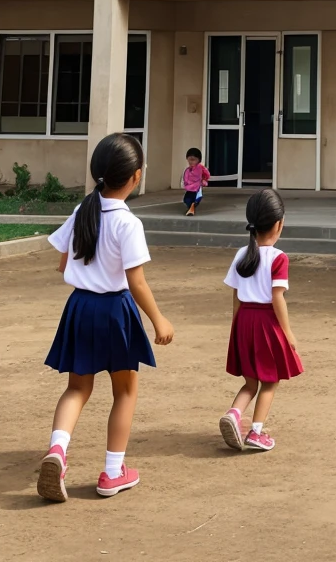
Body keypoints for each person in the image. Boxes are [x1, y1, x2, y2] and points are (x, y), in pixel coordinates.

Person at [38, 133, 174, 503]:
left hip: (80, 308)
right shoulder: (128, 224)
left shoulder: (83, 211)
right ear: (137, 176)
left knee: (77, 388)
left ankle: (57, 451)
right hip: (115, 311)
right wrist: (159, 319)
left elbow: (63, 263)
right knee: (125, 391)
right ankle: (113, 473)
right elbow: (137, 281)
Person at [219, 189, 302, 453]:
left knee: (251, 382)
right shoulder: (279, 258)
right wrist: (288, 333)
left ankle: (234, 414)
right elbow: (278, 298)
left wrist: (236, 327)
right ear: (279, 224)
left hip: (244, 320)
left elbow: (235, 295)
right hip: (266, 321)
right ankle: (256, 432)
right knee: (270, 380)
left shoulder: (241, 254)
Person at [181, 147, 210, 217]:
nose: (191, 162)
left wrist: (204, 180)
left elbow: (206, 174)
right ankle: (190, 207)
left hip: (196, 187)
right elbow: (185, 177)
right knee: (186, 200)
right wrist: (184, 184)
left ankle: (192, 207)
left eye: (193, 160)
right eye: (189, 160)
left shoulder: (200, 168)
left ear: (198, 160)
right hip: (189, 188)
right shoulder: (188, 169)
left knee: (195, 199)